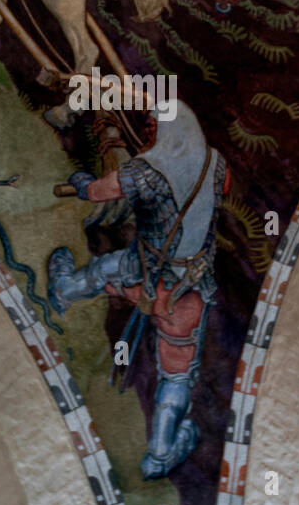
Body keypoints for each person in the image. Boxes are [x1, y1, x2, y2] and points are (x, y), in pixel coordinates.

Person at [47, 99, 228, 480]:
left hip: (147, 271)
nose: (148, 134)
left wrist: (81, 183)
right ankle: (160, 455)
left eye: (152, 128)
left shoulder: (148, 171)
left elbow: (99, 191)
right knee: (177, 375)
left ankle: (63, 289)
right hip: (191, 289)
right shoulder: (217, 164)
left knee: (104, 271)